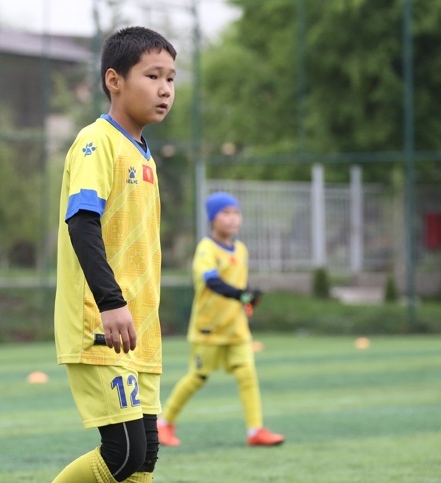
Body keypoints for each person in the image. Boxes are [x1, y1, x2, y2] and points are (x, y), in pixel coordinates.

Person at [52, 26, 176, 483]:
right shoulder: (96, 141)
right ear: (114, 80)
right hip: (103, 322)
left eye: (171, 78)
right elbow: (82, 224)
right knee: (123, 453)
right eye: (152, 76)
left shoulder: (143, 156)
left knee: (143, 460)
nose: (165, 89)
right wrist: (110, 302)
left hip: (140, 329)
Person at [157, 192, 286, 447]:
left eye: (236, 213)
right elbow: (212, 281)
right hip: (209, 328)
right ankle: (163, 423)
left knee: (247, 374)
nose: (232, 218)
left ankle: (255, 430)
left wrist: (248, 299)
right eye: (225, 213)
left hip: (236, 328)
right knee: (197, 377)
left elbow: (239, 286)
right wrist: (241, 294)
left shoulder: (242, 250)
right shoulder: (206, 248)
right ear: (212, 219)